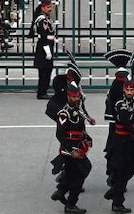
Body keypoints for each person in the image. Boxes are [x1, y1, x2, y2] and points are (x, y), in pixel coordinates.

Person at [104, 76, 134, 214]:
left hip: (129, 141)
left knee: (133, 167)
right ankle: (117, 202)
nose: (129, 92)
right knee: (122, 171)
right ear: (123, 89)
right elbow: (127, 125)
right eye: (127, 89)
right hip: (121, 141)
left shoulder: (130, 102)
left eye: (132, 89)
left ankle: (115, 189)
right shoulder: (121, 105)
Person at [50, 82, 92, 214]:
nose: (76, 99)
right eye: (73, 97)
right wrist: (71, 150)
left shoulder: (78, 110)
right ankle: (70, 204)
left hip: (79, 146)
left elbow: (80, 128)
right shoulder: (64, 113)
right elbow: (59, 134)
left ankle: (61, 191)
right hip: (69, 150)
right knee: (81, 172)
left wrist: (87, 138)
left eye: (77, 96)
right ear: (68, 96)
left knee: (75, 173)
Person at [30, 0, 57, 99]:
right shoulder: (42, 20)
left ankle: (43, 90)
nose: (50, 9)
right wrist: (48, 51)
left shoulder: (46, 18)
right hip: (44, 49)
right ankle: (41, 92)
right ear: (43, 8)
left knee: (47, 70)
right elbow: (43, 36)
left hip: (47, 47)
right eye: (48, 7)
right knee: (44, 71)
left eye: (50, 7)